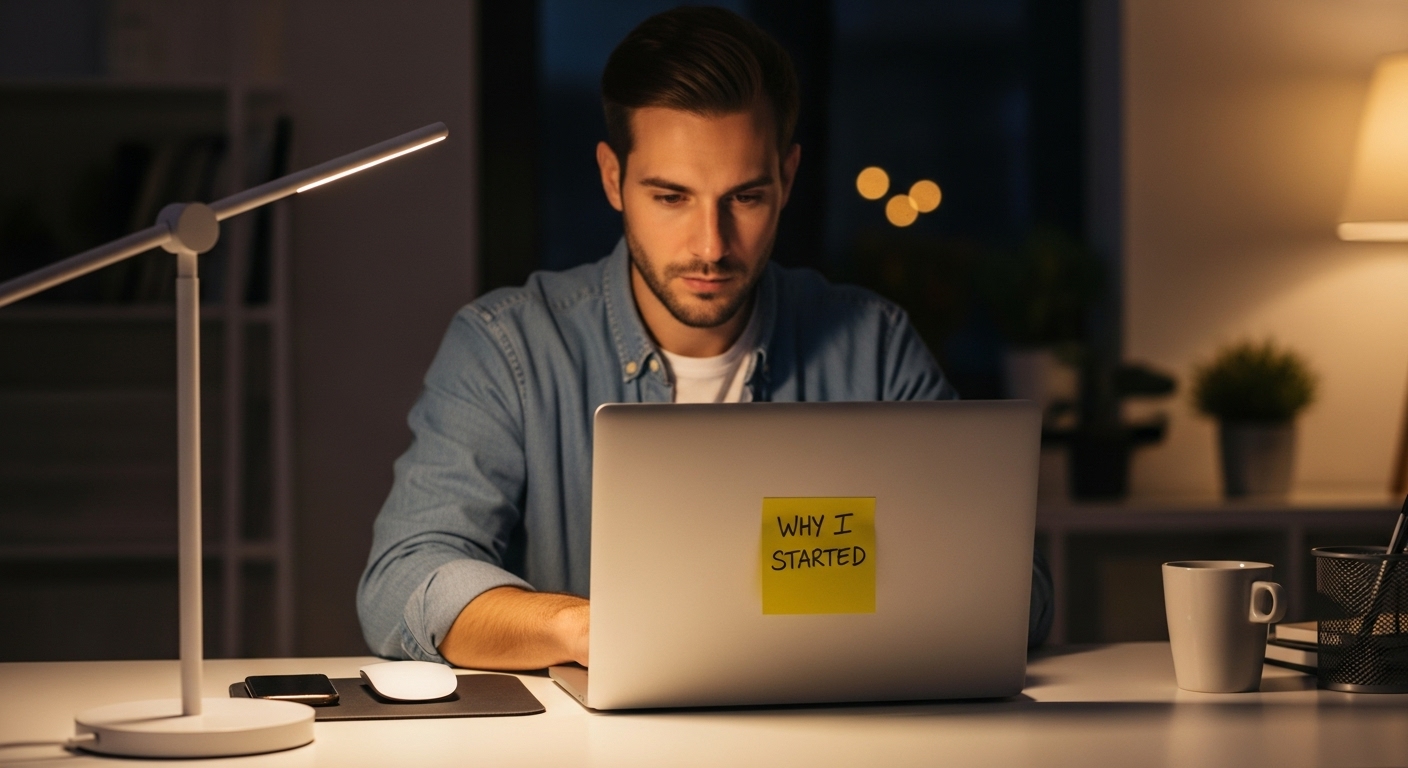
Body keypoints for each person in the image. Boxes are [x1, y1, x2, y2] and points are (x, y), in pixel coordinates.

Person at [358, 6, 1053, 669]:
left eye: (745, 197)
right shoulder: (506, 348)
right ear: (612, 179)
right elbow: (404, 581)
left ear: (786, 178)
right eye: (671, 197)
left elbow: (1017, 592)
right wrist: (585, 628)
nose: (711, 246)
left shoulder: (872, 343)